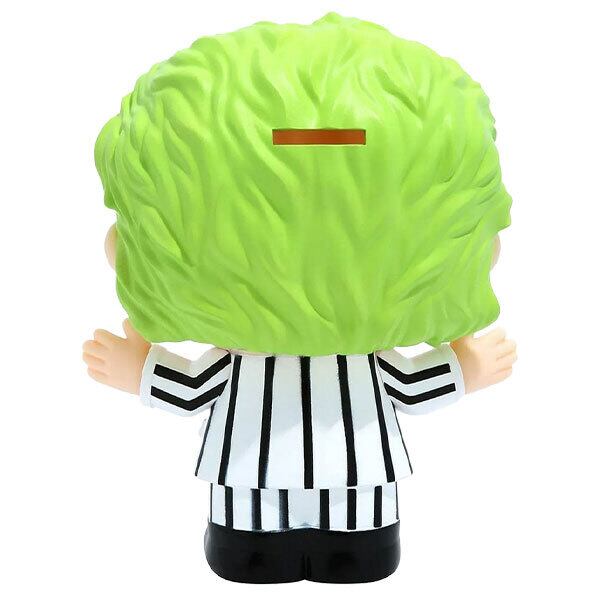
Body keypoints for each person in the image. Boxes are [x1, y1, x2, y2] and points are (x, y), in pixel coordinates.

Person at [83, 13, 516, 583]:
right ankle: (267, 549)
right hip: (252, 490)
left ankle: (333, 550)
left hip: (351, 490)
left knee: (355, 548)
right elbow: (405, 386)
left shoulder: (321, 356)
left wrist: (466, 368)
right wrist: (139, 371)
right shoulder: (295, 357)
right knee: (252, 550)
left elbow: (408, 385)